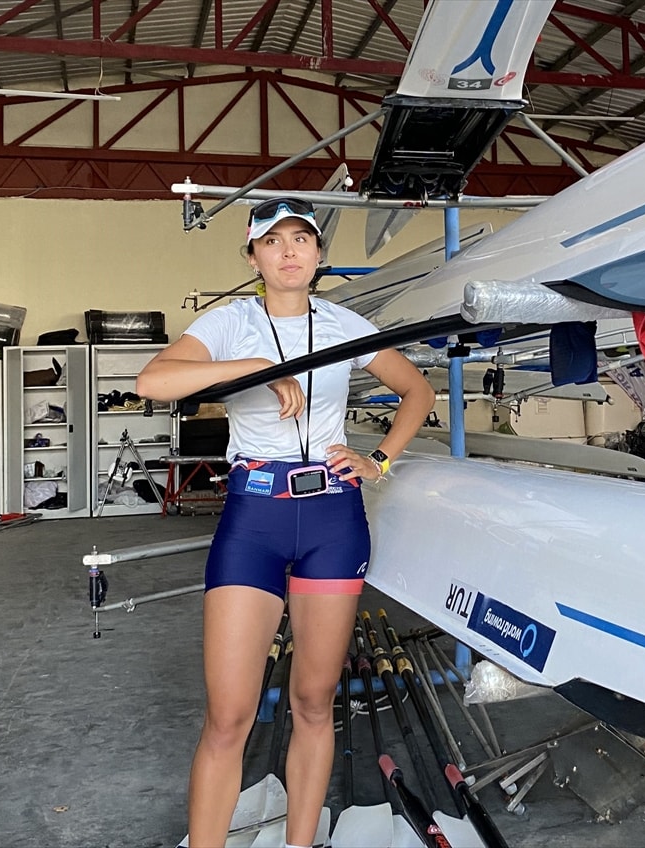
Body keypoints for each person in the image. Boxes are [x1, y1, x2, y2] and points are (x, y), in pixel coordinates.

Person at [136, 197, 435, 848]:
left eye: (302, 238)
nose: (289, 251)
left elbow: (418, 390)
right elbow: (153, 381)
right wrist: (255, 369)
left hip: (333, 519)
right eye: (272, 241)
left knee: (313, 702)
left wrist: (380, 459)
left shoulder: (346, 325)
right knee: (228, 717)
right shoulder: (231, 323)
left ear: (320, 254)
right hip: (255, 521)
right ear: (253, 258)